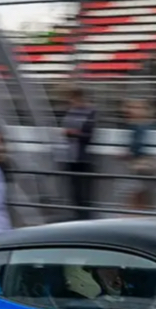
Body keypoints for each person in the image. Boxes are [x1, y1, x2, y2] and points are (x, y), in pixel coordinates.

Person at [60, 87, 97, 219]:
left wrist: (74, 133)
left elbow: (89, 136)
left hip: (82, 157)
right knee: (74, 190)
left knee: (84, 191)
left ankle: (85, 217)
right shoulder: (70, 111)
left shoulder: (90, 113)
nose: (72, 102)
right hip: (70, 156)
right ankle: (76, 215)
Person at [123, 99, 156, 212]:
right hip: (137, 164)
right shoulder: (134, 126)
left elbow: (146, 146)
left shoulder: (146, 127)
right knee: (137, 194)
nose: (130, 111)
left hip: (143, 164)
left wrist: (140, 160)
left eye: (136, 108)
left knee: (139, 195)